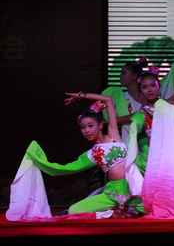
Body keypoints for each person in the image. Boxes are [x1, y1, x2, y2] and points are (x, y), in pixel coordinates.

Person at [7, 92, 143, 220]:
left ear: (100, 125)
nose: (87, 130)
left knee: (153, 207)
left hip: (132, 187)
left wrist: (80, 95)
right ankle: (111, 213)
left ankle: (129, 210)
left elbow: (108, 100)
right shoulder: (92, 154)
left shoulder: (114, 135)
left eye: (90, 125)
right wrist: (41, 161)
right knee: (74, 210)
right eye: (83, 127)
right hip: (113, 192)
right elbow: (67, 168)